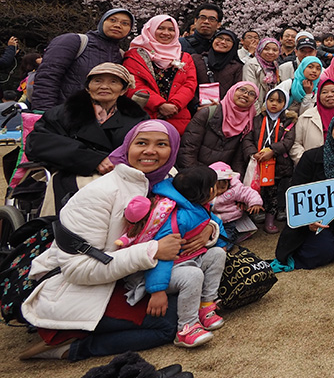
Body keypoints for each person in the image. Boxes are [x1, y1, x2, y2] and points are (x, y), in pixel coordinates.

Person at [20, 120, 214, 361]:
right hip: (80, 288)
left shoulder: (164, 182)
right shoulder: (99, 193)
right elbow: (76, 269)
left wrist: (209, 229)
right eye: (141, 143)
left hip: (130, 277)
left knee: (196, 293)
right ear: (127, 147)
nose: (150, 150)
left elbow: (191, 213)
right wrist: (153, 250)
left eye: (161, 144)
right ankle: (70, 347)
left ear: (173, 149)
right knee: (172, 323)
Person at [124, 166, 227, 348]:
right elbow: (164, 252)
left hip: (189, 259)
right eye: (213, 185)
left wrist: (217, 239)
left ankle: (206, 305)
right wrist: (157, 290)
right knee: (193, 276)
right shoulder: (179, 217)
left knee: (218, 254)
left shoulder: (197, 206)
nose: (216, 188)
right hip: (169, 268)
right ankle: (187, 327)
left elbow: (213, 221)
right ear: (205, 192)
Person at [26, 63, 147, 211]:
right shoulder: (64, 113)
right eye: (98, 81)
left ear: (123, 90)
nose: (104, 86)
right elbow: (38, 142)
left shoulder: (137, 118)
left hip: (124, 173)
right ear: (87, 87)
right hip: (75, 173)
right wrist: (93, 159)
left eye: (113, 82)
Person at [274, 112, 334, 269]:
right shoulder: (311, 157)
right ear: (330, 130)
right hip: (313, 221)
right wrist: (307, 221)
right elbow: (296, 193)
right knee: (323, 250)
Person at [31, 8, 134, 111]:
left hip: (97, 120)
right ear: (102, 21)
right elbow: (47, 76)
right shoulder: (74, 41)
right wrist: (43, 112)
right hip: (63, 115)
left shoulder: (121, 55)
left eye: (125, 23)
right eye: (112, 20)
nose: (117, 25)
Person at [123, 15, 198, 134]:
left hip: (177, 117)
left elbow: (190, 84)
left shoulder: (184, 57)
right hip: (144, 116)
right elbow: (134, 85)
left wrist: (175, 105)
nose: (166, 33)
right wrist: (160, 105)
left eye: (171, 30)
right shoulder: (135, 55)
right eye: (161, 28)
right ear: (150, 29)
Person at [242, 87, 297, 233]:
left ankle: (270, 220)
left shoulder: (288, 121)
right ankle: (257, 212)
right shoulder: (257, 119)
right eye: (271, 100)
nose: (274, 104)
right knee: (258, 189)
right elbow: (247, 138)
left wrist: (272, 151)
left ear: (285, 104)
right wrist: (253, 153)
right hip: (259, 162)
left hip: (278, 164)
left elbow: (288, 141)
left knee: (274, 192)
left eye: (279, 101)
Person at [177, 82, 256, 173]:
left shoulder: (249, 123)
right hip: (196, 174)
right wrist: (194, 176)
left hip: (223, 178)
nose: (246, 95)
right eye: (242, 90)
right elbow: (188, 148)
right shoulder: (207, 113)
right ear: (232, 91)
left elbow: (238, 160)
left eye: (251, 94)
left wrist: (233, 180)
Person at [291, 79, 334, 163]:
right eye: (324, 92)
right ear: (318, 95)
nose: (330, 95)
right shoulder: (306, 116)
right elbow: (295, 144)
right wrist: (306, 162)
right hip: (313, 168)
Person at [190, 29, 244, 105]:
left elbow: (236, 92)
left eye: (228, 40)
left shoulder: (236, 66)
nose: (222, 42)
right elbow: (189, 84)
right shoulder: (196, 59)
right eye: (220, 38)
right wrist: (196, 105)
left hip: (223, 110)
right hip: (196, 109)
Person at [242, 37, 281, 110]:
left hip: (269, 108)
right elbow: (250, 90)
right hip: (254, 108)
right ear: (260, 49)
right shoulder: (252, 65)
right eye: (266, 49)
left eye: (275, 50)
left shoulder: (275, 65)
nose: (270, 52)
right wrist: (258, 112)